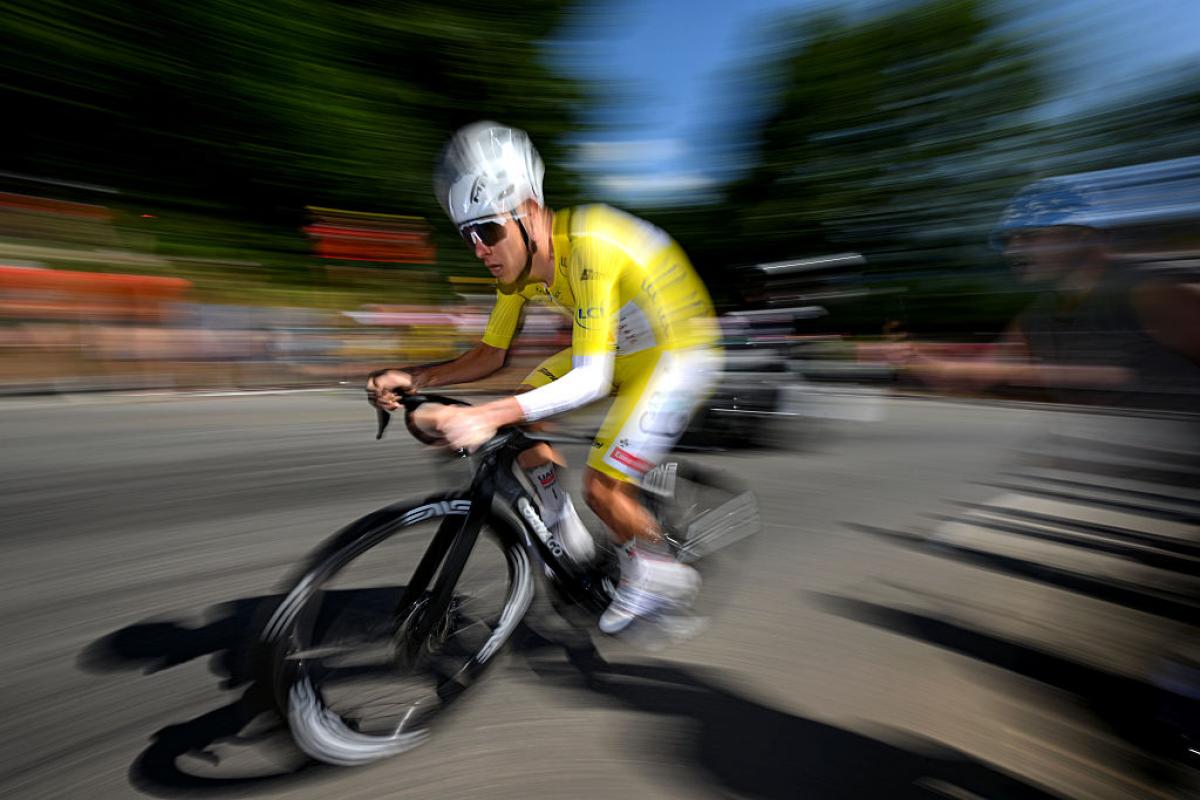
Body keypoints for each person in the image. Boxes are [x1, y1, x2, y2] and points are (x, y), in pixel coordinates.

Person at [366, 121, 722, 634]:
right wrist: (415, 377)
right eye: (467, 236)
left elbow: (588, 381)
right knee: (523, 413)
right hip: (622, 349)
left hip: (679, 352)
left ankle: (663, 576)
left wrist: (485, 415)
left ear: (529, 212)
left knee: (604, 488)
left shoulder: (590, 243)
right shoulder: (518, 274)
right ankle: (560, 522)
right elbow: (490, 356)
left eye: (488, 230)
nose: (479, 249)